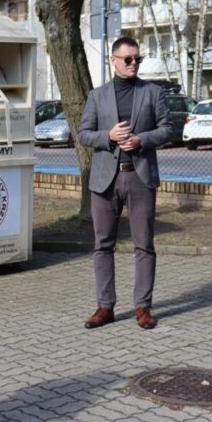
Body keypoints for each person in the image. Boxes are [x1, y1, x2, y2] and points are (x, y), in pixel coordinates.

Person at [79, 36, 174, 330]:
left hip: (140, 176)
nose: (134, 63)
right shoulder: (97, 96)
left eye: (137, 59)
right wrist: (108, 136)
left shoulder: (153, 92)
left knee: (144, 244)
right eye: (128, 59)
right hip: (105, 179)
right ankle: (105, 306)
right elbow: (83, 134)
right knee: (102, 244)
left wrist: (141, 140)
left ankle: (143, 307)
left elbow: (168, 128)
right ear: (114, 60)